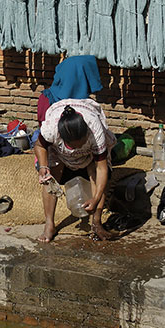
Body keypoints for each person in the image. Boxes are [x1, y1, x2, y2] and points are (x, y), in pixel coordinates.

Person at [34, 99, 116, 242]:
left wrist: (96, 199)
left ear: (86, 135)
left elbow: (101, 168)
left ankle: (96, 223)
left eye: (81, 143)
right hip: (60, 153)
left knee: (95, 174)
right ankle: (49, 224)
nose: (78, 148)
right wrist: (43, 167)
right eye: (74, 146)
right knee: (50, 178)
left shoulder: (95, 133)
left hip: (90, 154)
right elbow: (39, 146)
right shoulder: (52, 130)